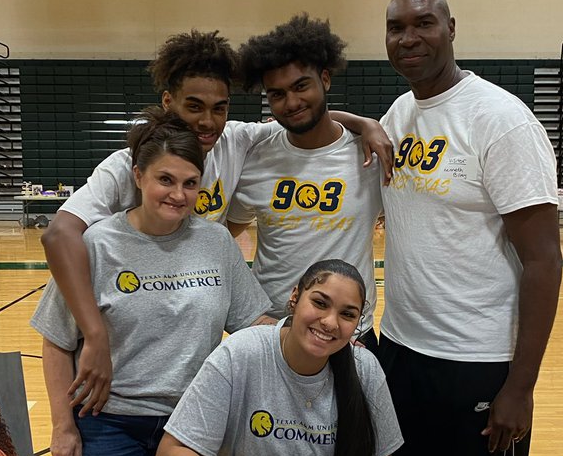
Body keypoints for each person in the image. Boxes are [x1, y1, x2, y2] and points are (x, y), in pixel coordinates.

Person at [42, 29, 392, 414]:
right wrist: (93, 335)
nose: (207, 121)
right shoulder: (129, 165)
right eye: (193, 106)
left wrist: (364, 124)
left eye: (219, 108)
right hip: (128, 347)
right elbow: (59, 234)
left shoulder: (236, 141)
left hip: (212, 339)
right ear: (168, 101)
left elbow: (303, 116)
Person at [378, 0, 562, 456]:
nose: (409, 38)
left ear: (451, 29)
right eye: (397, 28)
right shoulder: (399, 115)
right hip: (402, 352)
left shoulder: (499, 121)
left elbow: (544, 261)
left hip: (478, 365)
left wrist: (520, 387)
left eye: (424, 23)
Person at [31, 110, 271, 456]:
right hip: (106, 425)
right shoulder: (95, 244)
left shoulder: (216, 243)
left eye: (190, 183)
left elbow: (253, 323)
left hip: (191, 427)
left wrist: (311, 335)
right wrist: (62, 427)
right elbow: (57, 341)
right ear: (139, 176)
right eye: (166, 179)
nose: (178, 195)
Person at [155, 259, 402, 456]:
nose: (330, 322)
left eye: (347, 314)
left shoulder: (364, 367)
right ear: (295, 297)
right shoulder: (241, 352)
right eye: (320, 303)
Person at [227, 15, 384, 346]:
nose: (292, 102)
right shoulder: (257, 157)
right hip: (271, 330)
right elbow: (223, 236)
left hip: (348, 333)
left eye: (301, 86)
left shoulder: (369, 154)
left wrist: (365, 123)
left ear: (325, 79)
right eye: (278, 94)